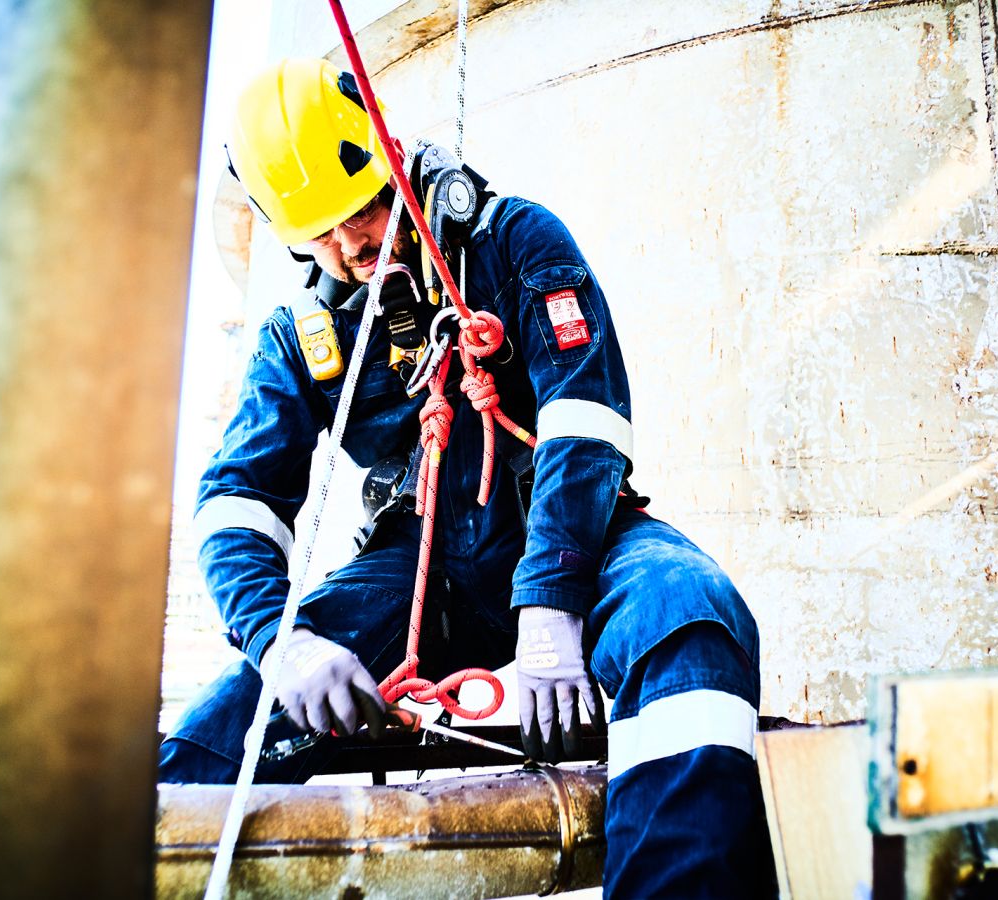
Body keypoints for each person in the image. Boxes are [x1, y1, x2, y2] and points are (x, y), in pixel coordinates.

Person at [160, 57, 765, 897]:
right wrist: (280, 643)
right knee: (219, 730)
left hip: (570, 532)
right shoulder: (300, 337)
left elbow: (584, 418)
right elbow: (237, 503)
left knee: (688, 617)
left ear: (387, 156)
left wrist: (551, 600)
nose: (348, 246)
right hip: (414, 566)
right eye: (318, 235)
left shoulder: (514, 242)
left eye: (358, 211)